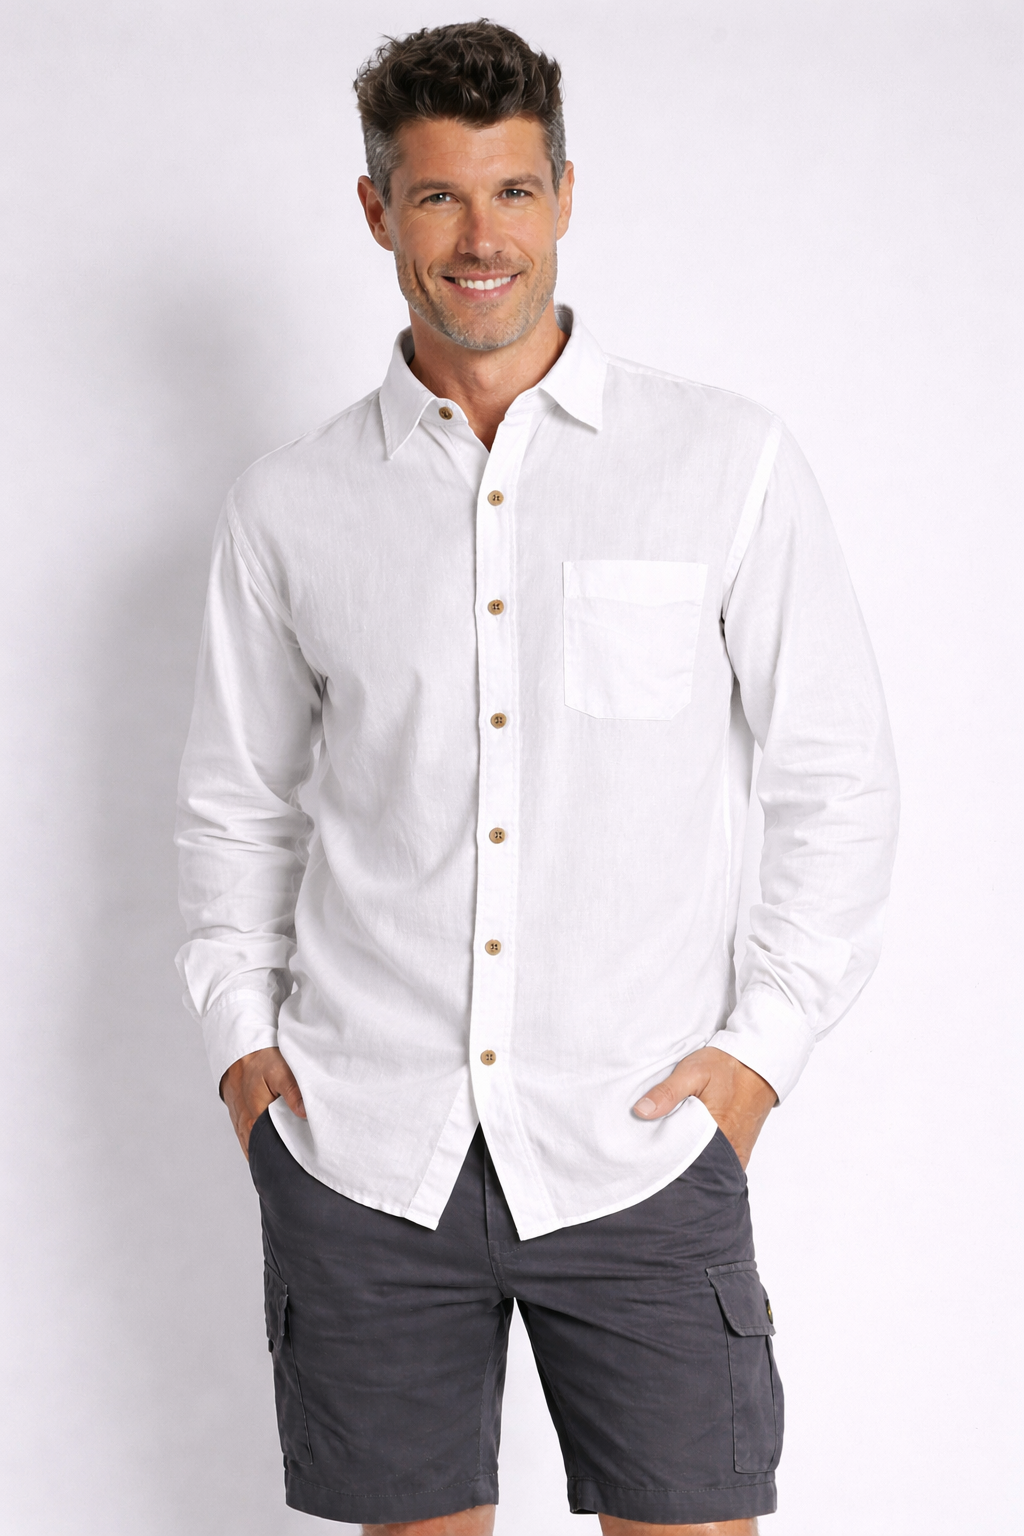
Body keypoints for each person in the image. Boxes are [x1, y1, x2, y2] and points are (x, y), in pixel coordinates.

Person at [175, 19, 899, 1536]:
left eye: (512, 191)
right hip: (366, 1155)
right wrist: (246, 1053)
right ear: (377, 211)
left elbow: (837, 783)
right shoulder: (289, 508)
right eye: (438, 196)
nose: (480, 238)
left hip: (638, 1146)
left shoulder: (725, 463)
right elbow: (237, 809)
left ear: (566, 193)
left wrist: (757, 1060)